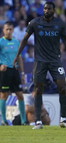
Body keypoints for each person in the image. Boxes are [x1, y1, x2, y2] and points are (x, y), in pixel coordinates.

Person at [12, 1, 66, 129]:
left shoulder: (60, 24)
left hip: (55, 61)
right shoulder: (35, 22)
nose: (47, 10)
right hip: (39, 61)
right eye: (45, 8)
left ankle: (63, 118)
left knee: (63, 88)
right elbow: (24, 40)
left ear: (54, 11)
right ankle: (38, 122)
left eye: (49, 9)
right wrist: (16, 56)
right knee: (37, 90)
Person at [0, 21, 27, 126]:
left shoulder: (17, 42)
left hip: (15, 70)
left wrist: (22, 73)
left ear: (13, 30)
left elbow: (19, 58)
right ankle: (4, 121)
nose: (8, 31)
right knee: (3, 95)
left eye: (10, 29)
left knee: (20, 95)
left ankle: (23, 121)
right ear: (3, 30)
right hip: (5, 71)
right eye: (6, 29)